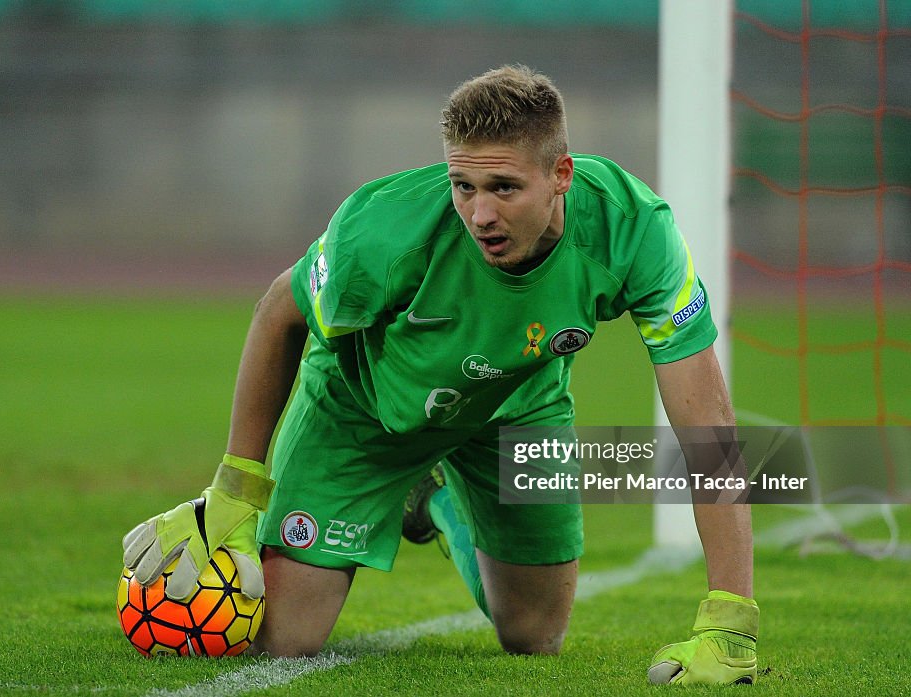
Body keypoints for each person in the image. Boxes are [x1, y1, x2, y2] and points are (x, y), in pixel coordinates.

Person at [122, 65, 758, 685]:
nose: (479, 214)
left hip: (517, 403)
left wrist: (731, 621)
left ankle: (435, 503)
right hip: (362, 410)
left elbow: (706, 422)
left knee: (534, 636)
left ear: (560, 175)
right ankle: (413, 487)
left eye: (503, 187)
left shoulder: (634, 231)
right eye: (463, 185)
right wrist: (237, 489)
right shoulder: (383, 228)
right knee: (283, 641)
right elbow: (275, 314)